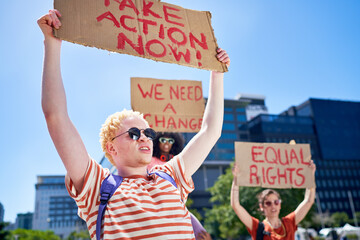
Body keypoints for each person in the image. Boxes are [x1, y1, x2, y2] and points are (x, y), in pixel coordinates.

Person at [38, 9, 230, 240]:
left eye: (148, 132)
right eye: (133, 133)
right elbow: (55, 116)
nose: (145, 137)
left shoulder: (171, 176)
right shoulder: (96, 186)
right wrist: (51, 42)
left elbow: (211, 132)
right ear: (111, 148)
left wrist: (216, 73)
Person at [148, 132, 212, 240]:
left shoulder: (178, 161)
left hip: (177, 205)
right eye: (163, 140)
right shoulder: (150, 161)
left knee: (202, 234)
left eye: (170, 141)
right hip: (157, 206)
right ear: (156, 142)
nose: (166, 144)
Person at [231, 161, 316, 240]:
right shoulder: (257, 227)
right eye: (268, 203)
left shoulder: (289, 222)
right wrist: (236, 178)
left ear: (280, 205)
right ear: (261, 207)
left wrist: (311, 175)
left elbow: (309, 201)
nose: (273, 206)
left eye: (276, 202)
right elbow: (235, 205)